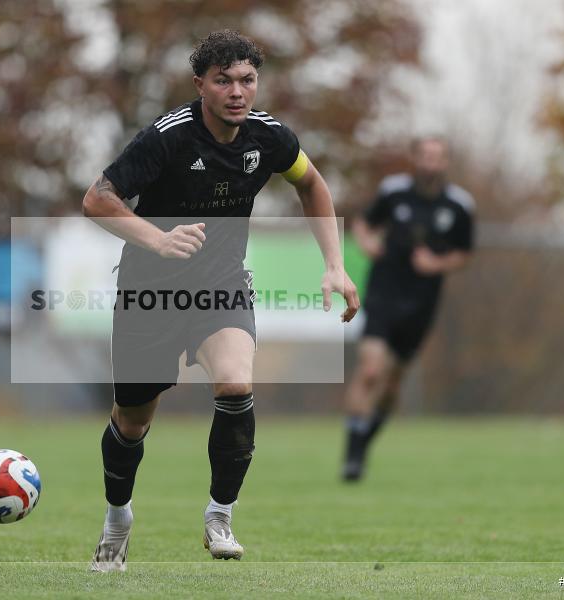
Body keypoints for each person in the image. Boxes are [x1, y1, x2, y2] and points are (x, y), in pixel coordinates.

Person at [81, 30, 359, 571]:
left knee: (235, 384)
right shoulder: (166, 138)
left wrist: (334, 264)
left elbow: (312, 184)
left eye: (248, 80)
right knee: (132, 421)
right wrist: (158, 239)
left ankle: (220, 514)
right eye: (224, 80)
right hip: (149, 294)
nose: (238, 91)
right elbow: (96, 199)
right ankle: (118, 517)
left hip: (221, 286)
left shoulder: (269, 137)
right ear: (200, 85)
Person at [342, 136, 474, 482]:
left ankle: (364, 439)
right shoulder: (394, 191)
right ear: (415, 159)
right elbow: (363, 224)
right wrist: (368, 242)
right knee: (371, 371)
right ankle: (352, 456)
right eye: (425, 156)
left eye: (438, 157)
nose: (431, 163)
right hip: (383, 293)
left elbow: (464, 253)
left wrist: (437, 262)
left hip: (420, 305)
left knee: (391, 386)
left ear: (445, 162)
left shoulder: (459, 205)